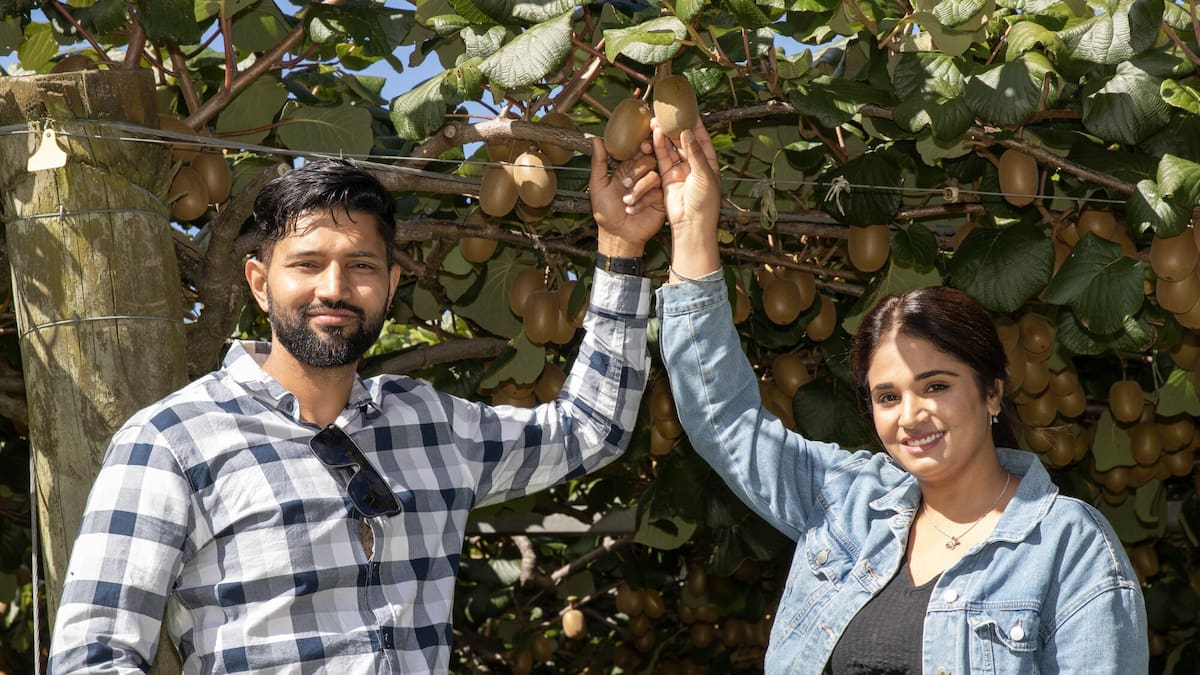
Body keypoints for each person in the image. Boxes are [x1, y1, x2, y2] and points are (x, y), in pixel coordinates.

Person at [48, 145, 665, 674]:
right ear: (260, 284)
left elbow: (591, 429)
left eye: (361, 266)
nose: (335, 289)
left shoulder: (432, 425)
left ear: (393, 285)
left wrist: (619, 247)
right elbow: (93, 653)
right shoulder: (172, 440)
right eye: (308, 264)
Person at [650, 118, 1148, 674]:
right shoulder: (845, 503)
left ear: (992, 393)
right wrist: (693, 226)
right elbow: (725, 421)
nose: (911, 415)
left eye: (936, 385)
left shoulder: (1067, 546)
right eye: (887, 397)